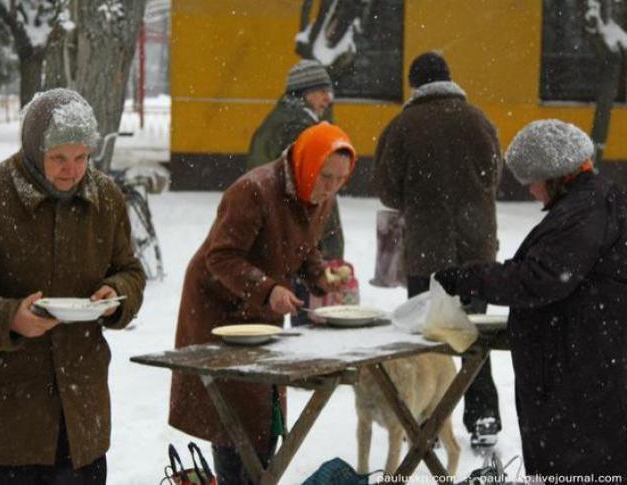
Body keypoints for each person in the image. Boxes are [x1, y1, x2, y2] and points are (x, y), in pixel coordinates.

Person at [0, 88, 145, 485]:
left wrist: (115, 296)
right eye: (59, 158)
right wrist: (9, 316)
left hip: (80, 413)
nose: (72, 170)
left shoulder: (107, 200)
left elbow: (130, 270)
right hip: (0, 416)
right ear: (34, 150)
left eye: (82, 157)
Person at [434, 119, 627, 477]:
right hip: (588, 366)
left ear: (553, 174)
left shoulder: (585, 211)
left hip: (580, 374)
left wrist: (470, 278)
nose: (530, 191)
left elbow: (540, 277)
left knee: (578, 467)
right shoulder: (597, 199)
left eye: (531, 181)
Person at [169, 122, 357, 484]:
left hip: (260, 308)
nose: (331, 187)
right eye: (325, 176)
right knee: (235, 414)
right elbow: (221, 257)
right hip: (218, 307)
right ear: (307, 163)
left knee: (263, 411)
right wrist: (268, 289)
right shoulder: (253, 191)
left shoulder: (318, 195)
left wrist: (321, 274)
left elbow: (302, 246)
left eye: (340, 179)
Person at [373, 51, 503, 448]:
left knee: (431, 341)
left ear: (415, 84)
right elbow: (494, 176)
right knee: (472, 337)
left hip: (427, 253)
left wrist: (422, 193)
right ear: (449, 78)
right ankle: (483, 417)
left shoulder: (402, 126)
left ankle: (428, 419)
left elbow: (388, 192)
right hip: (476, 250)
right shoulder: (479, 120)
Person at [248, 59, 344, 326]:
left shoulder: (281, 121)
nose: (328, 97)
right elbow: (311, 196)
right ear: (304, 92)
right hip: (298, 240)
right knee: (309, 325)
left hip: (279, 237)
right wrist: (325, 248)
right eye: (321, 90)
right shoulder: (300, 128)